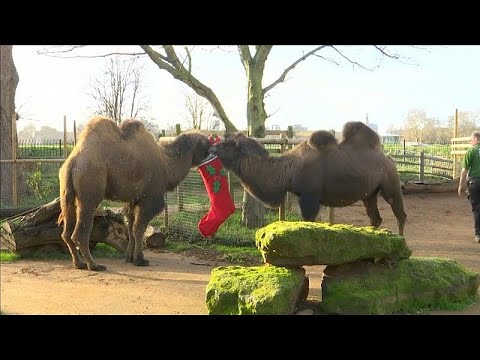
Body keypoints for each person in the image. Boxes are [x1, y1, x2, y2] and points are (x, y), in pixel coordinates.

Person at [458, 131, 480, 243]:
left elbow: (464, 170)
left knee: (477, 208)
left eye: (471, 139)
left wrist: (461, 184)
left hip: (475, 183)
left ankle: (478, 234)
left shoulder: (471, 151)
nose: (470, 141)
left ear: (476, 139)